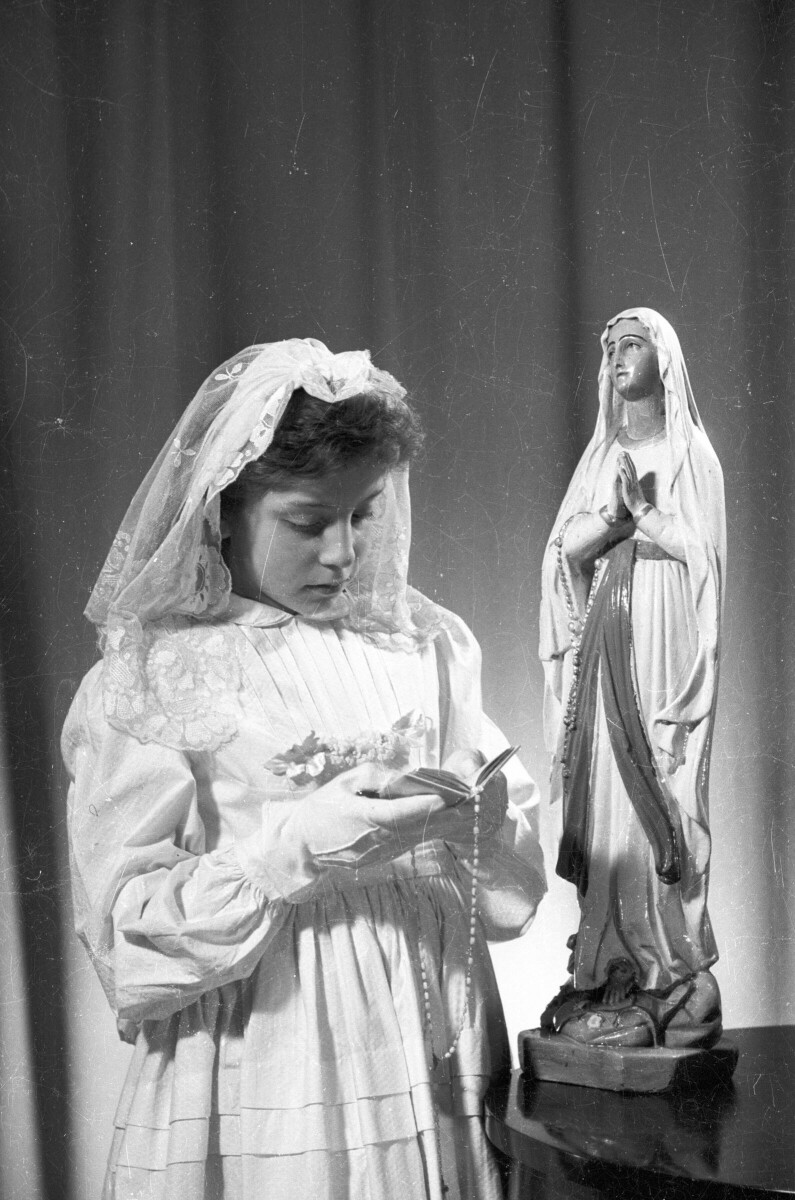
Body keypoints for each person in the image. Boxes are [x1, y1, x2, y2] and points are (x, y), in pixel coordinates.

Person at [63, 338, 546, 1199]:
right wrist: (295, 846)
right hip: (269, 1050)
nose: (341, 554)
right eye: (306, 520)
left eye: (362, 514)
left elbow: (510, 903)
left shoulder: (421, 647)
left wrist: (483, 824)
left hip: (430, 1030)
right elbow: (127, 934)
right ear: (222, 510)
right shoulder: (160, 674)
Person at [539, 308, 725, 1048]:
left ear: (664, 361)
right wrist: (611, 519)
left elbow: (704, 559)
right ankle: (605, 965)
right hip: (603, 641)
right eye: (608, 347)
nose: (615, 357)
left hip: (660, 637)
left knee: (656, 786)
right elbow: (563, 554)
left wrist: (643, 516)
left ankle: (669, 971)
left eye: (631, 344)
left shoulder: (690, 455)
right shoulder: (599, 455)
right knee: (602, 792)